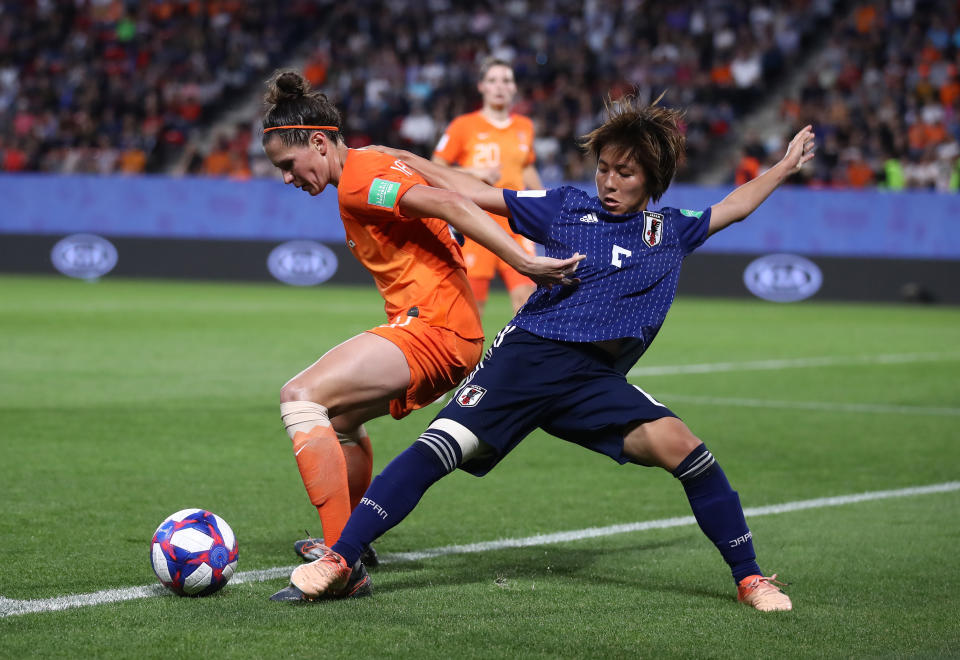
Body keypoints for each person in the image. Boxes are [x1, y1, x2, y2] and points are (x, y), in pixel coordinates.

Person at [272, 93, 815, 612]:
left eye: (624, 173)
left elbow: (734, 207)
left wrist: (784, 166)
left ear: (652, 179)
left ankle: (750, 578)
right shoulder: (565, 208)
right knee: (441, 449)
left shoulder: (668, 230)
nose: (608, 182)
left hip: (592, 381)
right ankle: (341, 559)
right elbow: (480, 193)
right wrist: (408, 160)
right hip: (528, 357)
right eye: (603, 167)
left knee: (689, 452)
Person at [260, 70, 583, 567]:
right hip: (447, 330)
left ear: (320, 143)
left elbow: (450, 201)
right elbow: (431, 171)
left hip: (434, 327)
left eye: (288, 163)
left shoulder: (359, 182)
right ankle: (351, 540)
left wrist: (524, 261)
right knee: (340, 421)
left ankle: (337, 562)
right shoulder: (376, 160)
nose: (287, 177)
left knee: (299, 397)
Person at [433, 57, 543, 315]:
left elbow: (526, 166)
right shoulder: (463, 126)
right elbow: (434, 168)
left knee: (527, 301)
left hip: (516, 221)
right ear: (481, 86)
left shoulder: (525, 127)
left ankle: (516, 355)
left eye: (506, 80)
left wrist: (545, 201)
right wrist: (474, 171)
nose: (500, 86)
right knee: (470, 310)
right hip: (476, 221)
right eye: (492, 80)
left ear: (514, 88)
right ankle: (468, 356)